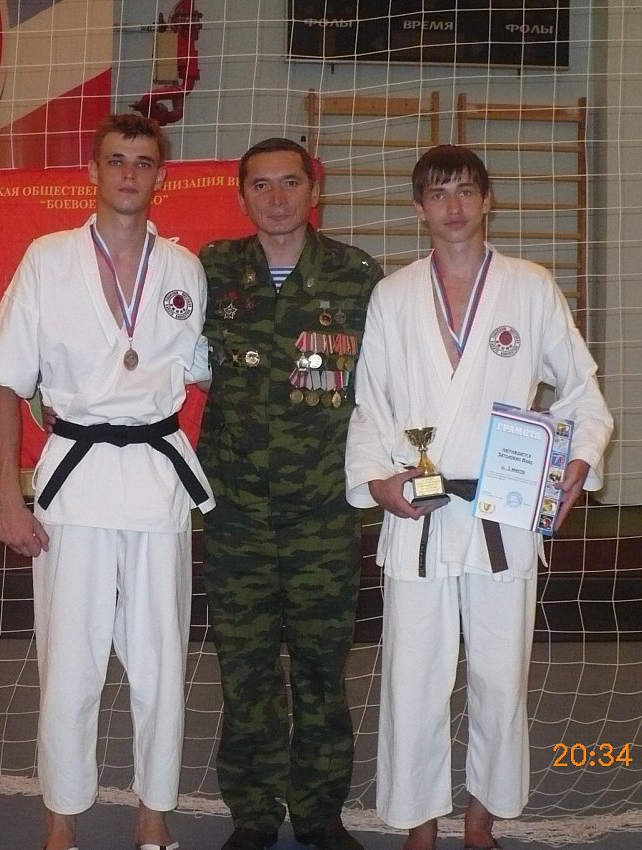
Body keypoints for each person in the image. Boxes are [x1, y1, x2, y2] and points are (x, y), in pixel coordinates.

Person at [344, 145, 614, 850]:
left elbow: (581, 393)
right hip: (421, 515)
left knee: (499, 676)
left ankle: (482, 818)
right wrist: (379, 483)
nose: (454, 207)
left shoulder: (529, 286)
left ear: (488, 199)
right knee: (413, 678)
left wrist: (578, 462)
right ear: (418, 208)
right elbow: (370, 407)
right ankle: (418, 823)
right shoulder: (394, 295)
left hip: (504, 512)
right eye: (438, 194)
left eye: (466, 191)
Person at [0, 113, 214, 850]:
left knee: (161, 663)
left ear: (160, 175)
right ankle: (61, 820)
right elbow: (7, 380)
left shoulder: (184, 269)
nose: (129, 174)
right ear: (93, 171)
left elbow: (205, 370)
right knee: (70, 662)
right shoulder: (48, 259)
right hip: (73, 484)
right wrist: (7, 495)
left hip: (157, 481)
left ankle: (155, 814)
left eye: (143, 162)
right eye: (116, 161)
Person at [196, 137, 383, 850]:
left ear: (314, 189)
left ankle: (318, 812)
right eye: (261, 185)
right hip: (236, 513)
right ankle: (252, 813)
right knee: (244, 670)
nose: (276, 198)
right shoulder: (210, 271)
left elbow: (386, 384)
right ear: (242, 196)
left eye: (290, 182)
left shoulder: (357, 277)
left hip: (322, 514)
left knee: (320, 671)